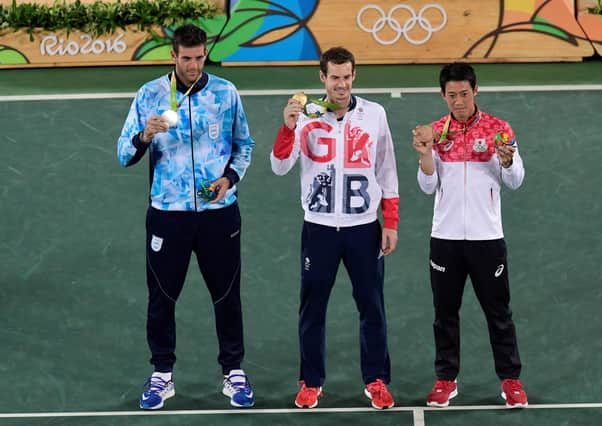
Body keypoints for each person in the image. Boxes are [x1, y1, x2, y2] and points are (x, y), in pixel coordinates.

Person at [117, 24, 255, 410]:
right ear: (173, 56)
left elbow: (244, 145)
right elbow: (123, 154)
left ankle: (233, 373)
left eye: (200, 57)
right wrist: (144, 135)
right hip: (168, 215)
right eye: (187, 58)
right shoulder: (150, 95)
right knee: (161, 298)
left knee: (227, 296)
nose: (195, 65)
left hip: (218, 214)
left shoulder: (226, 93)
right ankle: (162, 375)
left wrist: (229, 178)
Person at [270, 47, 399, 410]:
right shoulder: (307, 115)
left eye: (347, 77)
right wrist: (288, 126)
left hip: (364, 228)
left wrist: (390, 222)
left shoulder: (374, 114)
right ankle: (311, 381)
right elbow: (280, 166)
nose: (341, 85)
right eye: (334, 77)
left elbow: (387, 169)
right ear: (322, 78)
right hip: (320, 228)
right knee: (313, 308)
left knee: (372, 307)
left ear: (354, 75)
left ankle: (376, 380)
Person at [412, 62, 528, 408]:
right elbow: (427, 186)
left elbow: (515, 181)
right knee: (444, 313)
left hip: (487, 238)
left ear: (475, 91)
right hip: (445, 239)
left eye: (464, 94)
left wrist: (507, 161)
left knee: (499, 312)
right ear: (442, 95)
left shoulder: (498, 129)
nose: (458, 101)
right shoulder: (434, 132)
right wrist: (425, 157)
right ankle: (446, 380)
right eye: (452, 95)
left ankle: (511, 381)